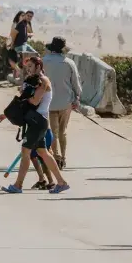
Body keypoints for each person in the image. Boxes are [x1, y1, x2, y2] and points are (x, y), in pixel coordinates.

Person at [0, 56, 70, 194]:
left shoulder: (43, 81)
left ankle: (18, 185)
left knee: (25, 152)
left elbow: (35, 101)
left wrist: (25, 93)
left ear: (38, 66)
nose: (29, 70)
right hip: (36, 121)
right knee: (42, 152)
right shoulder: (34, 81)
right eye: (27, 68)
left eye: (31, 67)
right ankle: (61, 182)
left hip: (38, 122)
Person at [42, 36, 82, 170]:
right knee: (62, 131)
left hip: (49, 101)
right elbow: (76, 84)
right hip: (66, 102)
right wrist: (77, 98)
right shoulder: (69, 63)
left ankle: (56, 157)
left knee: (52, 131)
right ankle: (63, 158)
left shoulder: (44, 61)